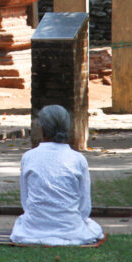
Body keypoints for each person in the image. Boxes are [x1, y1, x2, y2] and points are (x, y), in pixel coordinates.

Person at [10, 105, 104, 246]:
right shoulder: (78, 159)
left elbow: (26, 201)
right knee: (93, 227)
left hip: (33, 228)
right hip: (70, 228)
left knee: (21, 224)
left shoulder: (28, 157)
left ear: (42, 129)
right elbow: (84, 207)